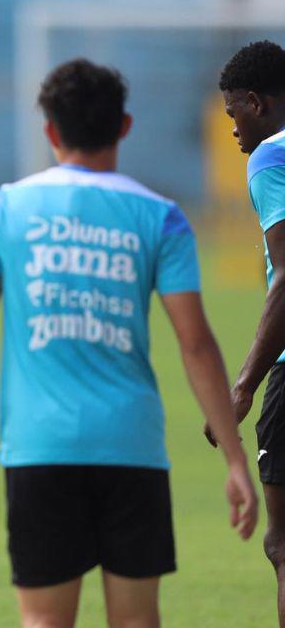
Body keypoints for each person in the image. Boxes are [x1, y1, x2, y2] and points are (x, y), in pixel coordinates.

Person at [0, 58, 258, 628]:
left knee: (45, 621)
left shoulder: (4, 209)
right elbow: (195, 343)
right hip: (132, 445)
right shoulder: (162, 217)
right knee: (135, 622)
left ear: (49, 131)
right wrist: (233, 457)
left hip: (38, 446)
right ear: (124, 127)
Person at [218, 39, 285, 626]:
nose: (232, 126)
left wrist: (240, 389)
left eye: (233, 111)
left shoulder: (271, 157)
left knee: (283, 545)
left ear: (255, 102)